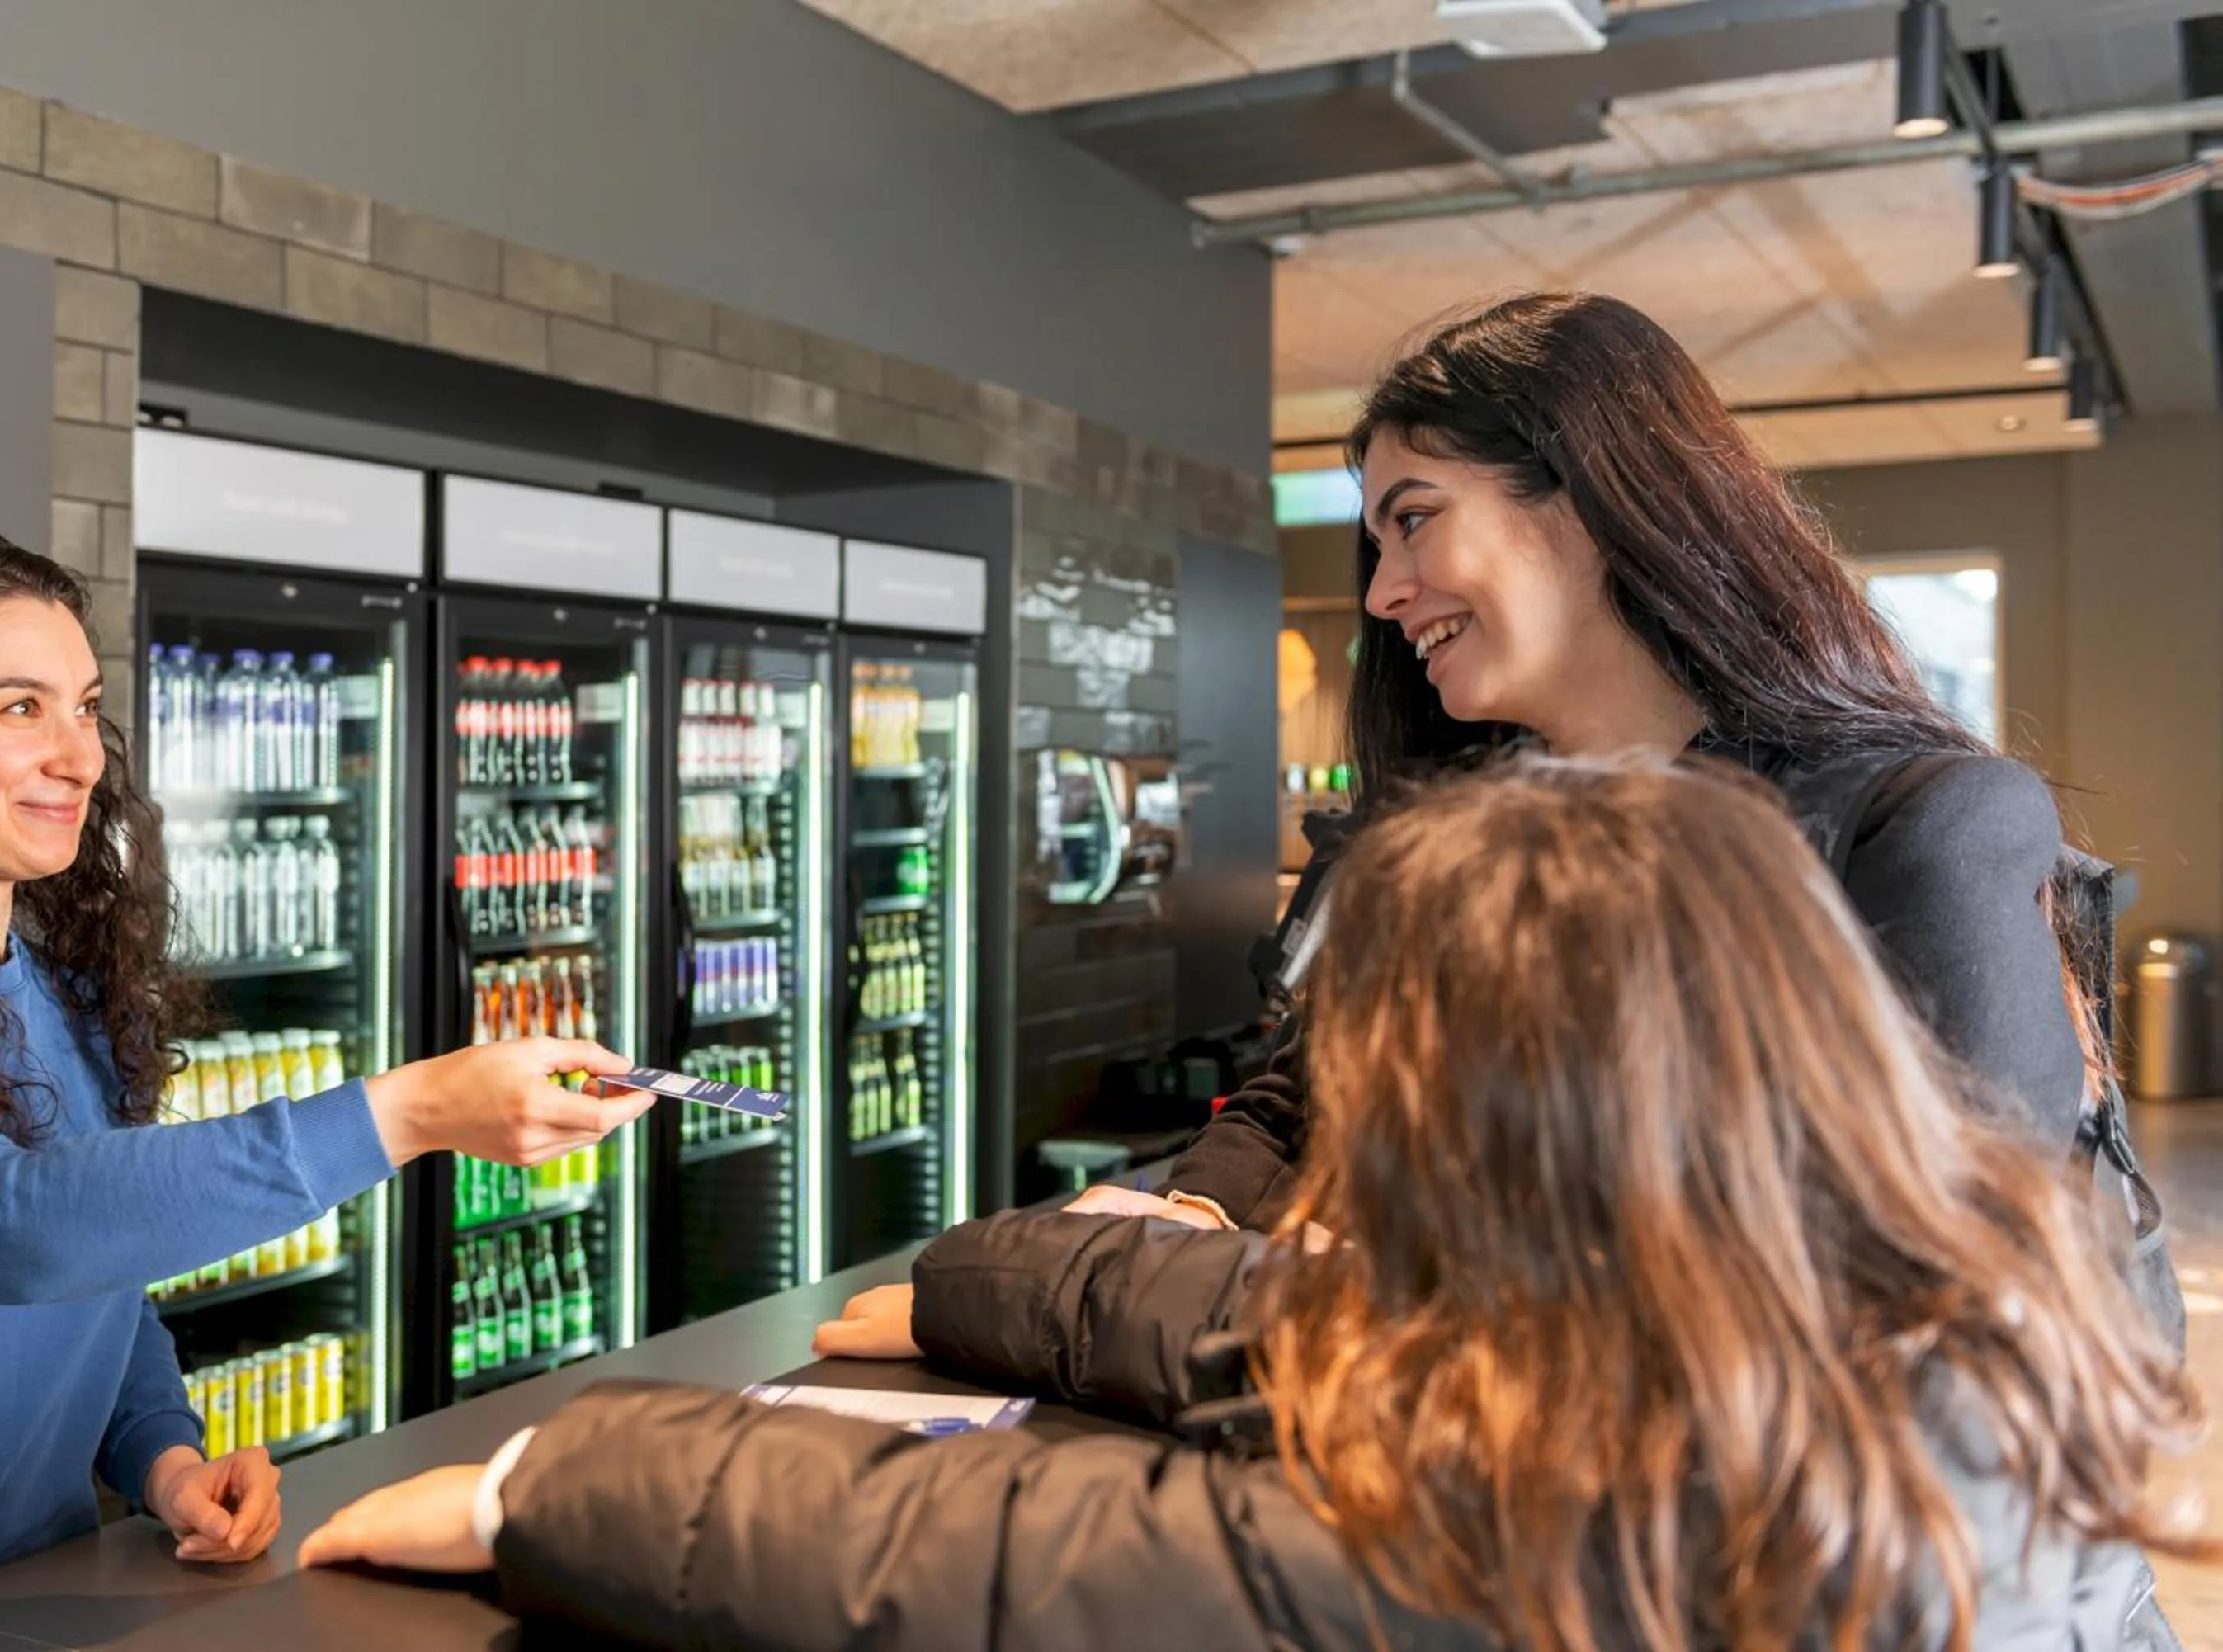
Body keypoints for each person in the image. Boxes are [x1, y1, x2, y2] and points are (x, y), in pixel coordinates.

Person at [301, 758, 2210, 1651]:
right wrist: (996, 1288)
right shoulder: (1916, 1318)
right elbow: (1333, 1339)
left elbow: (990, 1558)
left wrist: (541, 1477)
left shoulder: (1569, 1532)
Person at [1064, 294, 2169, 1301]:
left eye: (1414, 519)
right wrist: (1191, 1211)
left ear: (1587, 499)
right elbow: (1314, 1080)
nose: (1386, 592)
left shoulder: (1919, 826)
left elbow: (1965, 1294)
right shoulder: (1459, 826)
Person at [0, 531, 649, 1645]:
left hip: (35, 1604)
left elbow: (102, 1277)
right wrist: (408, 1110)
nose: (80, 757)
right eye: (21, 707)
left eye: (85, 707)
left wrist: (161, 1452)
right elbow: (9, 1224)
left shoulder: (66, 997)